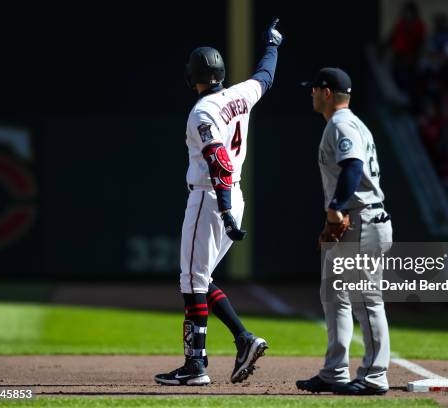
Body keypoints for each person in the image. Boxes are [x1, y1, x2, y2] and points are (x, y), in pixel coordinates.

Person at [154, 19, 283, 386]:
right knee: (202, 277)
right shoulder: (241, 93)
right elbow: (266, 76)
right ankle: (243, 339)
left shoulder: (201, 112)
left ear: (192, 76)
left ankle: (196, 366)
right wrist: (273, 43)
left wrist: (224, 210)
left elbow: (219, 162)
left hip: (211, 197)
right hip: (232, 194)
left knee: (191, 279)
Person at [296, 68, 393, 395]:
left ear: (326, 92)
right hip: (356, 218)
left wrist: (336, 207)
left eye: (313, 89)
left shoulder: (341, 123)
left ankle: (374, 375)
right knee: (334, 295)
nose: (310, 94)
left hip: (362, 219)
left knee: (366, 300)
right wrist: (333, 216)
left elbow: (353, 166)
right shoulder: (350, 123)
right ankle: (334, 372)